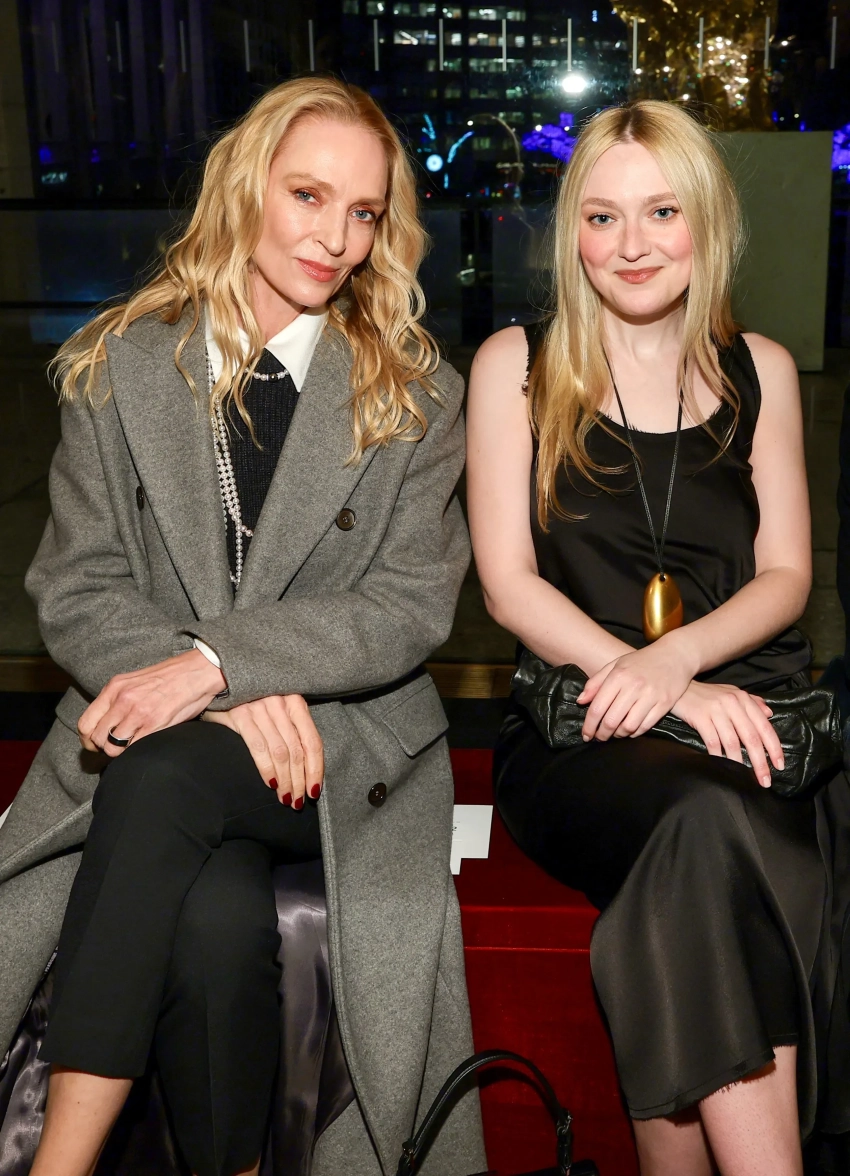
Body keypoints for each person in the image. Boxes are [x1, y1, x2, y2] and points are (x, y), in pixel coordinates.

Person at [0, 77, 485, 1176]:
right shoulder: (120, 366)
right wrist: (215, 689)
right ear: (245, 188)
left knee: (162, 779)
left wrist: (222, 665)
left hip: (336, 745)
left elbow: (409, 606)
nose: (335, 238)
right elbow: (76, 583)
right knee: (214, 918)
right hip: (177, 731)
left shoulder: (414, 393)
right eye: (308, 195)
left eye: (363, 213)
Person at [467, 99, 844, 1176]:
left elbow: (787, 577)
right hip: (581, 726)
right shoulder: (517, 366)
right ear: (571, 234)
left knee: (719, 834)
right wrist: (658, 685)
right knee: (704, 821)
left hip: (753, 711)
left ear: (706, 222)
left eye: (661, 212)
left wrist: (680, 661)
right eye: (602, 217)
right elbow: (507, 585)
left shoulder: (759, 368)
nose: (631, 244)